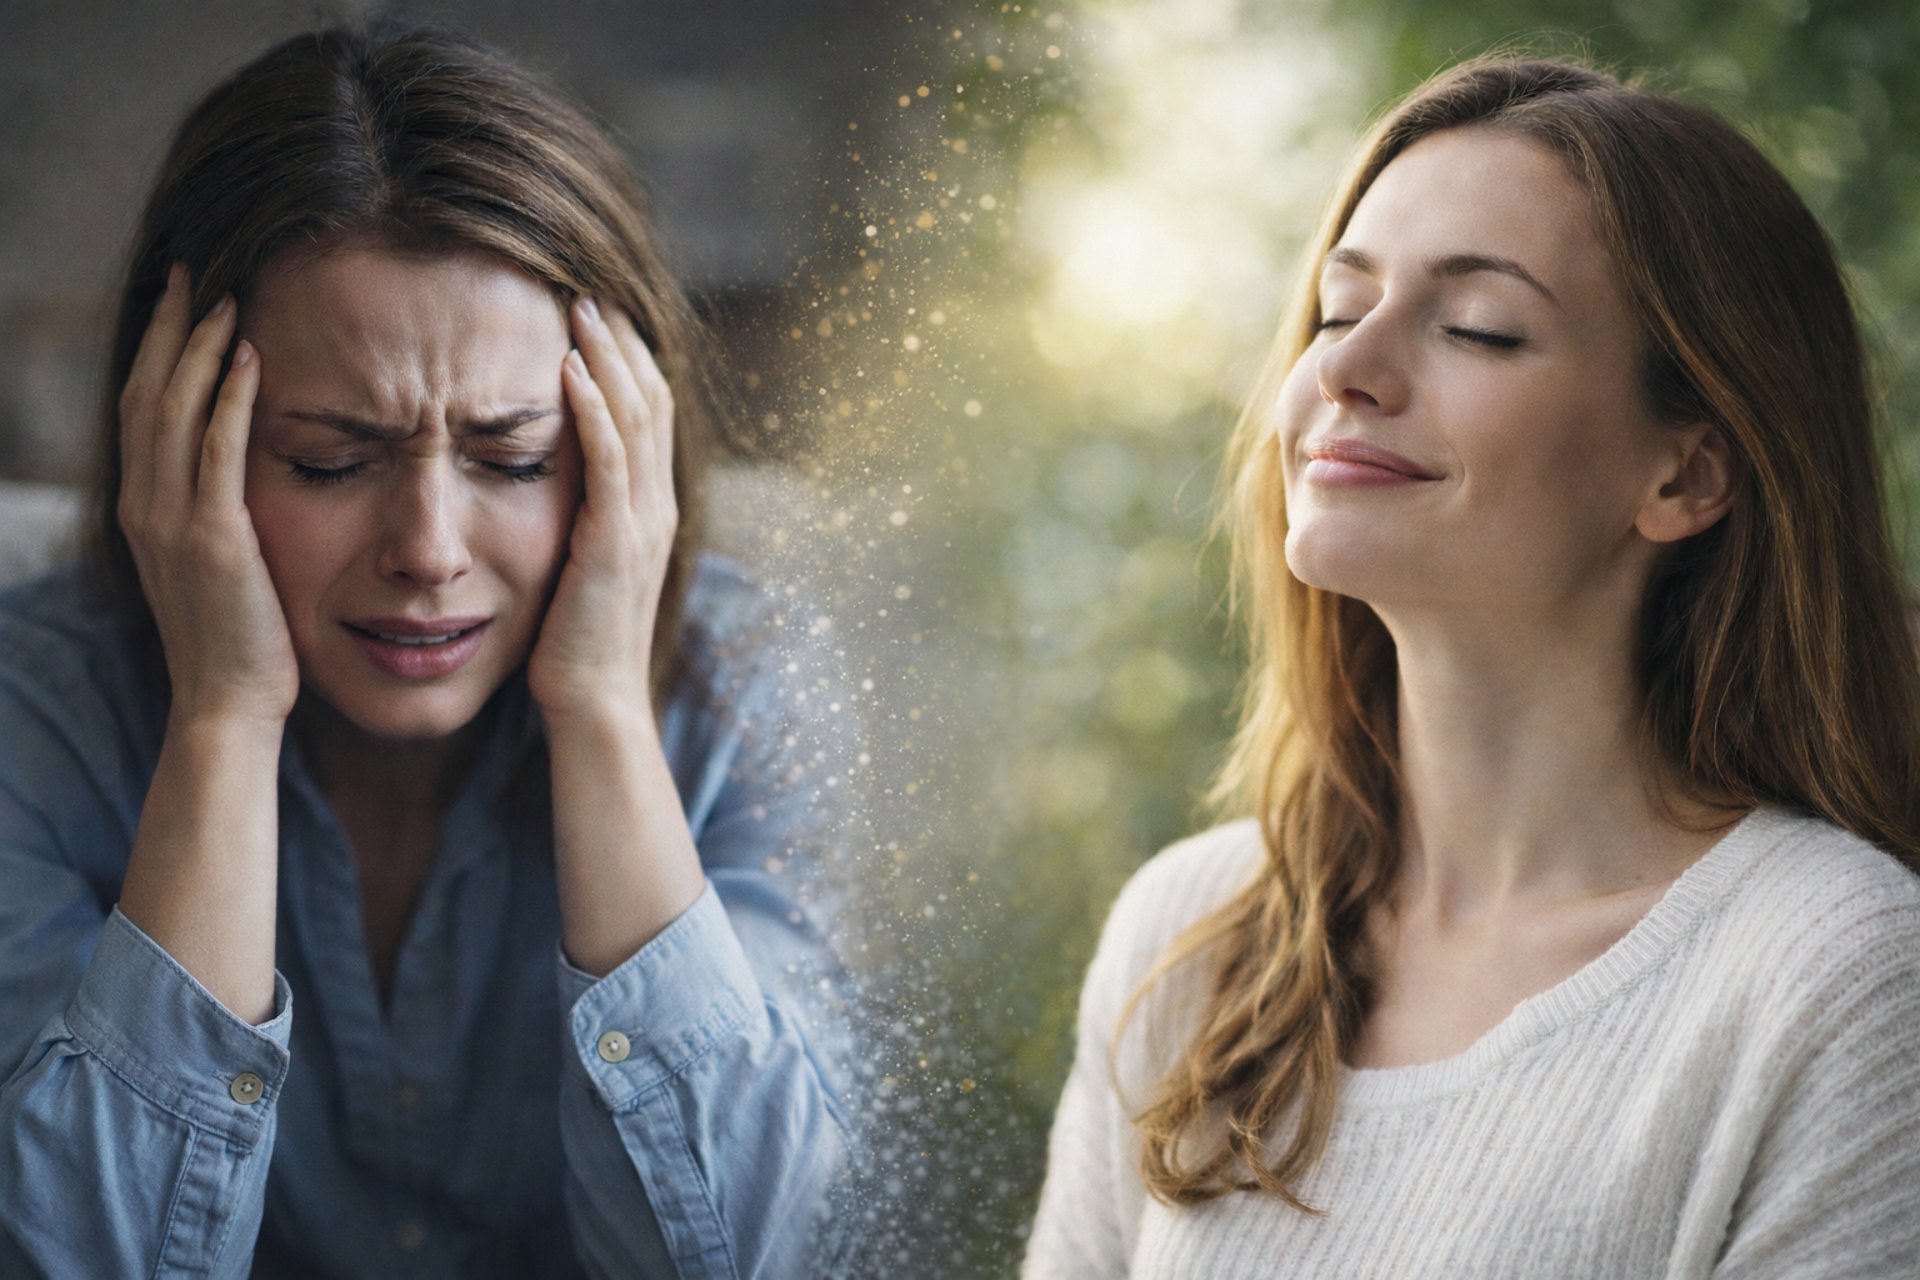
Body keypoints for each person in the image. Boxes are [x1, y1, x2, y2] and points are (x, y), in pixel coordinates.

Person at [1025, 55, 1920, 1277]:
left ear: (1686, 474)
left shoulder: (1837, 977)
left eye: (1477, 328)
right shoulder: (1190, 938)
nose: (1347, 368)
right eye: (1340, 312)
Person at [0, 19, 858, 1279]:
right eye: (330, 461)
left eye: (513, 459)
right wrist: (224, 715)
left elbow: (757, 1254)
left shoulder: (751, 686)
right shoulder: (34, 710)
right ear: (173, 433)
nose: (429, 548)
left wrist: (606, 713)